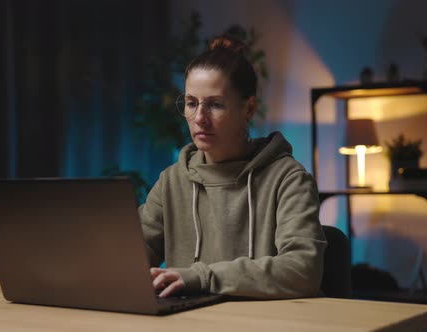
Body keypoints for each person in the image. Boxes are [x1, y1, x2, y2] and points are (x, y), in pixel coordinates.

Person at [138, 36, 327, 299]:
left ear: (248, 108)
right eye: (192, 103)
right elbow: (129, 256)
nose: (199, 119)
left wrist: (201, 277)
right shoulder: (172, 180)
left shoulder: (288, 179)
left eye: (215, 104)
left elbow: (302, 270)